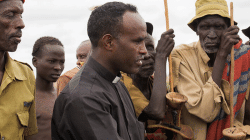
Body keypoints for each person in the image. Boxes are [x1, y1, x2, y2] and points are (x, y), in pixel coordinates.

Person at [51, 2, 148, 140]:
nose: (144, 50)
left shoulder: (117, 83)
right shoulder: (85, 97)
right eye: (137, 41)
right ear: (108, 42)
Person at [172, 0, 250, 139]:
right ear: (196, 29)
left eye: (219, 27)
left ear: (229, 29)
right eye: (205, 27)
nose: (212, 34)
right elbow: (206, 112)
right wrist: (221, 55)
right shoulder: (181, 55)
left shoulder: (240, 56)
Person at [121, 22, 174, 139]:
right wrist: (161, 57)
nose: (146, 55)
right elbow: (156, 112)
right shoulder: (122, 83)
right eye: (137, 47)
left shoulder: (154, 83)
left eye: (150, 47)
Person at [0, 0, 38, 139]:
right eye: (10, 14)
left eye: (20, 15)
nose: (21, 24)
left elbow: (29, 135)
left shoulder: (26, 75)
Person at [27, 37, 65, 140]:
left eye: (62, 62)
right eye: (52, 61)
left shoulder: (63, 95)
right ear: (35, 62)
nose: (58, 67)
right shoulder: (25, 96)